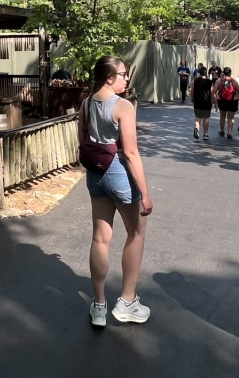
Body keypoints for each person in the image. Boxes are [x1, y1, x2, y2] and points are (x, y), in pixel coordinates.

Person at [82, 55, 154, 328]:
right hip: (118, 173)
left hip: (95, 174)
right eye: (123, 74)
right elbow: (131, 152)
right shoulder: (123, 106)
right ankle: (126, 301)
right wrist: (145, 194)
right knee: (136, 232)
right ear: (109, 78)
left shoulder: (86, 103)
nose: (126, 79)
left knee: (100, 238)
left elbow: (84, 139)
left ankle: (99, 306)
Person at [212, 67, 239, 139]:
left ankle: (222, 130)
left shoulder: (219, 80)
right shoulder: (233, 81)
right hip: (232, 101)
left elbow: (214, 91)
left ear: (223, 73)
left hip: (222, 100)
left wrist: (215, 101)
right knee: (231, 118)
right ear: (230, 73)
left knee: (222, 116)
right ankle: (229, 133)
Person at [190, 66, 215, 140]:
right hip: (206, 102)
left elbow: (192, 91)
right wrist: (215, 102)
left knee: (198, 117)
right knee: (206, 118)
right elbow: (212, 93)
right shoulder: (209, 82)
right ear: (206, 73)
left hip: (197, 102)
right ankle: (205, 134)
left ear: (199, 73)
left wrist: (192, 98)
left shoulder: (195, 81)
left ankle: (197, 128)